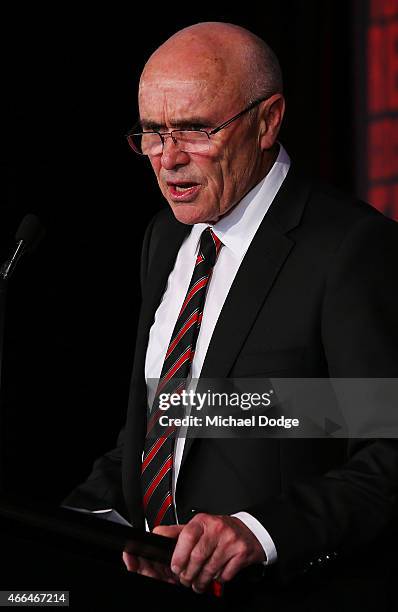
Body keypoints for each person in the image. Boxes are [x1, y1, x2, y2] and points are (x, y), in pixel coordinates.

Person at [63, 21, 398, 608]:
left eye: (194, 130)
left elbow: (388, 452)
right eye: (151, 133)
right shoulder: (164, 238)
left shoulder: (350, 249)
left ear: (267, 121)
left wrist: (261, 533)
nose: (168, 161)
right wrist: (71, 527)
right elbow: (160, 428)